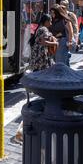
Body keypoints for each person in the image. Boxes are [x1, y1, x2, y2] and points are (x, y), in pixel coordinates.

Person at [15, 14, 58, 143]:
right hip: (41, 56)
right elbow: (43, 42)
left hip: (37, 55)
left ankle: (35, 89)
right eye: (50, 20)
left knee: (39, 73)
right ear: (46, 21)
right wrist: (55, 42)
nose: (51, 22)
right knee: (44, 73)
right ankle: (39, 90)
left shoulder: (39, 28)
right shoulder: (44, 30)